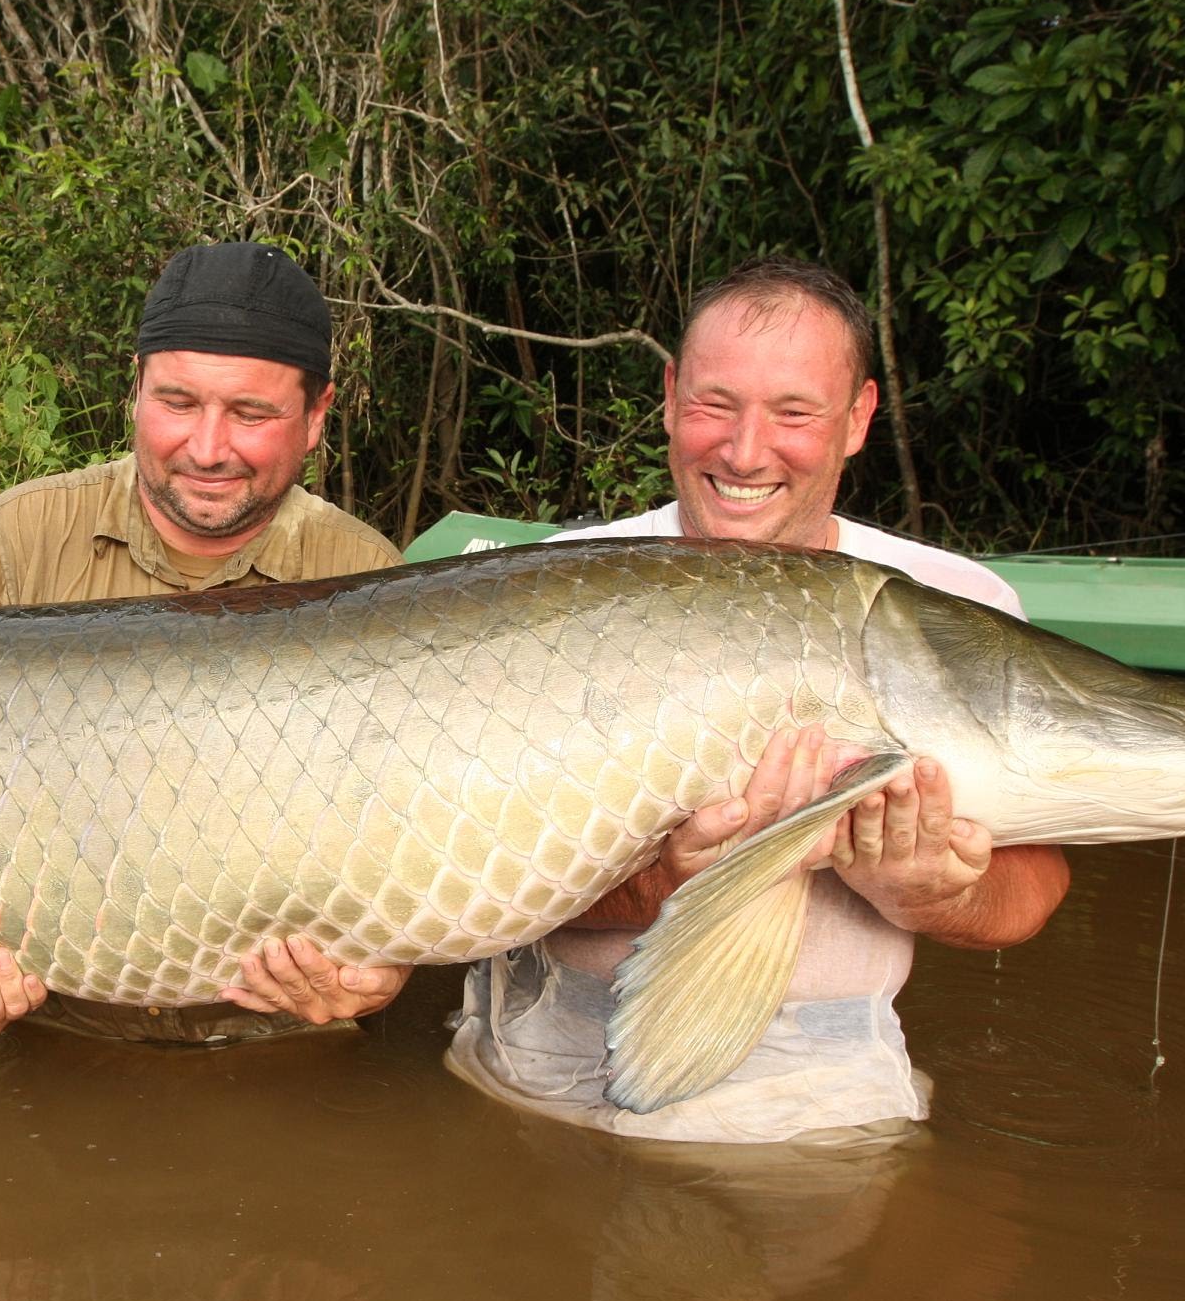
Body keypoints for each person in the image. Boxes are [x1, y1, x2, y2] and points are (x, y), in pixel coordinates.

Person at [444, 255, 1073, 1144]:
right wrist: (667, 876)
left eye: (793, 413)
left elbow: (1030, 893)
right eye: (714, 405)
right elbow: (454, 877)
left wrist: (931, 893)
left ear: (857, 417)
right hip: (531, 1058)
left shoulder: (957, 607)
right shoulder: (548, 592)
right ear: (668, 396)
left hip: (815, 1092)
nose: (743, 453)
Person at [0, 241, 415, 1045]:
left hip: (269, 1031)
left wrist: (375, 975)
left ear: (314, 418)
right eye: (176, 402)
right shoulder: (19, 535)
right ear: (133, 392)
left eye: (250, 413)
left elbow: (386, 841)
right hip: (56, 1024)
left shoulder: (367, 576)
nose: (206, 449)